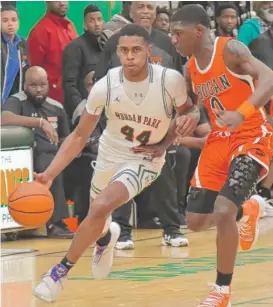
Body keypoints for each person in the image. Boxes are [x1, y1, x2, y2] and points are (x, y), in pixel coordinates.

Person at [32, 24, 199, 302]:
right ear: (117, 53)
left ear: (148, 51)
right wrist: (49, 175)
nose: (130, 56)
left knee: (99, 207)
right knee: (96, 217)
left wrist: (164, 144)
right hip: (109, 153)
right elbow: (79, 135)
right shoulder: (106, 86)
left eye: (136, 50)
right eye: (124, 50)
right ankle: (105, 238)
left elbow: (188, 111)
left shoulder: (170, 81)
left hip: (144, 158)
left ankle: (59, 272)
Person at [136, 5, 273, 306]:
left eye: (177, 33)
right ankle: (248, 209)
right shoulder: (189, 69)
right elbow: (196, 106)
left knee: (223, 209)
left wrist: (243, 111)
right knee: (196, 221)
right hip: (218, 140)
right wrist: (176, 128)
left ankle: (222, 290)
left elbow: (269, 77)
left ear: (198, 31)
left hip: (250, 133)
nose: (172, 39)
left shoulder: (230, 49)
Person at [95, 1, 188, 249]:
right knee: (122, 176)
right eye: (141, 6)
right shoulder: (115, 42)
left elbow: (179, 84)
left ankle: (171, 229)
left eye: (151, 6)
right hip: (124, 122)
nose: (147, 11)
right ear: (130, 11)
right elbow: (102, 82)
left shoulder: (167, 43)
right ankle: (123, 233)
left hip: (159, 123)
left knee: (163, 176)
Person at [1, 66, 72, 238]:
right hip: (27, 156)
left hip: (52, 156)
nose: (38, 89)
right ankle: (55, 224)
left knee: (79, 166)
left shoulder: (56, 106)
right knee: (47, 161)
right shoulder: (17, 100)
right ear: (24, 85)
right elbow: (4, 118)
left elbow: (66, 137)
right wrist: (39, 122)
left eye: (42, 84)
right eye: (33, 85)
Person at [28, 1, 77, 103]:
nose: (62, 3)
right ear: (47, 2)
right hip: (53, 100)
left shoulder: (69, 25)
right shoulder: (39, 32)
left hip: (74, 95)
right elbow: (34, 73)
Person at [62, 4, 105, 119]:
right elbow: (69, 84)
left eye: (99, 19)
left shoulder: (106, 46)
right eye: (92, 20)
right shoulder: (75, 47)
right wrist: (81, 110)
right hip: (84, 111)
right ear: (85, 25)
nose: (96, 24)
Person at [1, 6, 28, 104]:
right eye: (5, 20)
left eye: (13, 20)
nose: (10, 24)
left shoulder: (24, 45)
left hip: (13, 102)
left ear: (18, 22)